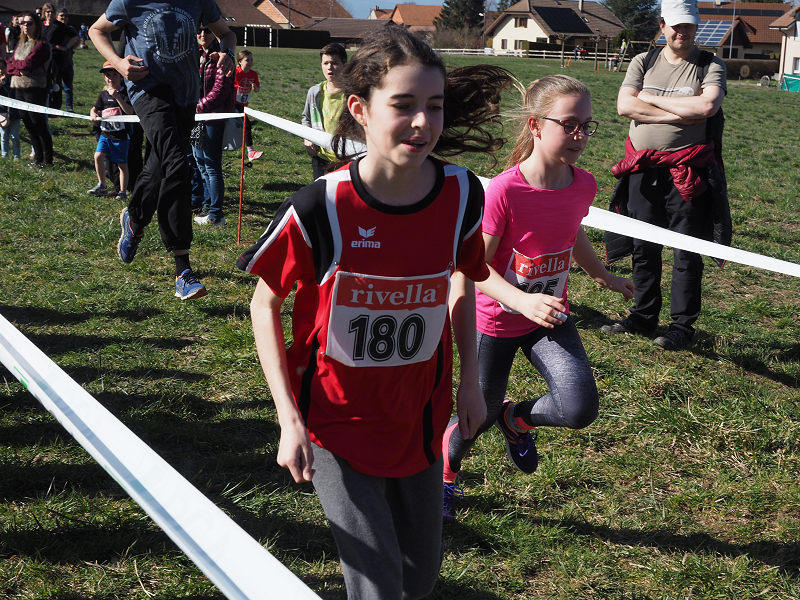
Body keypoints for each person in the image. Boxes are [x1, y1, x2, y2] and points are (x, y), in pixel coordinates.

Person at [237, 25, 514, 600]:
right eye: (404, 105)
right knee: (379, 587)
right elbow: (265, 304)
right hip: (336, 422)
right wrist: (289, 419)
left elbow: (462, 281)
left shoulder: (463, 194)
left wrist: (470, 381)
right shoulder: (321, 206)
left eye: (434, 106)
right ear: (360, 110)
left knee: (419, 579)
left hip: (419, 418)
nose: (423, 122)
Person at [441, 75, 634, 521]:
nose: (580, 135)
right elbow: (473, 267)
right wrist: (521, 300)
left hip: (548, 316)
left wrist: (601, 274)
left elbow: (572, 232)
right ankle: (445, 474)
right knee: (476, 418)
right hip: (494, 323)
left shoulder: (583, 184)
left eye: (586, 125)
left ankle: (516, 420)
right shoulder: (504, 191)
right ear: (535, 125)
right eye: (569, 124)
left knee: (578, 406)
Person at [601, 0, 729, 350]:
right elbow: (625, 106)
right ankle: (643, 316)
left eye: (689, 26)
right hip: (643, 169)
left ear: (696, 26)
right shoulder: (643, 61)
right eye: (676, 25)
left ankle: (681, 327)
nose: (682, 32)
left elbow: (707, 106)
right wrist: (680, 114)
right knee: (643, 244)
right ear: (662, 25)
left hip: (688, 173)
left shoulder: (710, 64)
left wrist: (651, 100)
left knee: (686, 249)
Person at [88, 1, 236, 301]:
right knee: (177, 163)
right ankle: (183, 270)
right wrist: (119, 64)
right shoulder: (130, 1)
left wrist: (228, 53)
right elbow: (97, 30)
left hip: (186, 94)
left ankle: (134, 218)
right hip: (148, 91)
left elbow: (227, 34)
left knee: (159, 164)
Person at [192, 26, 234, 226]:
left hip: (212, 118)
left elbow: (220, 90)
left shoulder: (222, 56)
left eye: (207, 31)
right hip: (195, 118)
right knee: (200, 162)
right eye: (199, 30)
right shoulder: (195, 54)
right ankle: (208, 207)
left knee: (211, 166)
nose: (202, 34)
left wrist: (198, 106)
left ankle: (216, 215)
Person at [6, 11, 52, 168]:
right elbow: (9, 64)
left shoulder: (42, 45)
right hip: (18, 88)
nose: (25, 25)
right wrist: (18, 69)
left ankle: (47, 160)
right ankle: (38, 159)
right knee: (28, 124)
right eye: (23, 23)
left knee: (38, 124)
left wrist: (18, 67)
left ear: (37, 25)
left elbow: (28, 64)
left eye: (29, 23)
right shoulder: (21, 44)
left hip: (35, 89)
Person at [301, 42, 347, 179]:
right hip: (320, 157)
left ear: (345, 65)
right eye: (325, 63)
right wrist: (307, 137)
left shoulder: (353, 95)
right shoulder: (314, 92)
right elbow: (306, 118)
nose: (329, 67)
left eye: (334, 63)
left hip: (346, 159)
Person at [88, 61, 133, 199]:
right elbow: (95, 108)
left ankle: (123, 191)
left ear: (121, 77)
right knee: (98, 156)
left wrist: (118, 97)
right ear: (104, 77)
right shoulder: (103, 94)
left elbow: (130, 111)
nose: (111, 78)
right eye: (108, 75)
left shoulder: (125, 93)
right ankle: (102, 185)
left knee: (122, 165)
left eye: (114, 75)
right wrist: (93, 114)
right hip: (105, 134)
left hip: (120, 137)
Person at [233, 49, 261, 161]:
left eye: (251, 60)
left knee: (243, 125)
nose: (250, 62)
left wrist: (255, 87)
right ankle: (251, 151)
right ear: (240, 61)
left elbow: (257, 89)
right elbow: (228, 85)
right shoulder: (236, 72)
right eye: (247, 60)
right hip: (233, 103)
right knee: (246, 125)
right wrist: (238, 88)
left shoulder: (253, 74)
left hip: (244, 104)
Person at [55, 8, 79, 111]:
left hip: (68, 62)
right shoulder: (54, 28)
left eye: (66, 16)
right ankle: (56, 107)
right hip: (56, 63)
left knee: (68, 87)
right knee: (56, 87)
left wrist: (68, 47)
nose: (64, 17)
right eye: (61, 15)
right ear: (57, 17)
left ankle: (69, 107)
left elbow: (77, 40)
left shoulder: (71, 29)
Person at [0, 63, 22, 160]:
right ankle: (4, 155)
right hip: (2, 114)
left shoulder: (13, 80)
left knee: (15, 136)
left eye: (2, 68)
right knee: (4, 136)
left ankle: (16, 156)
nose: (1, 70)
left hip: (14, 113)